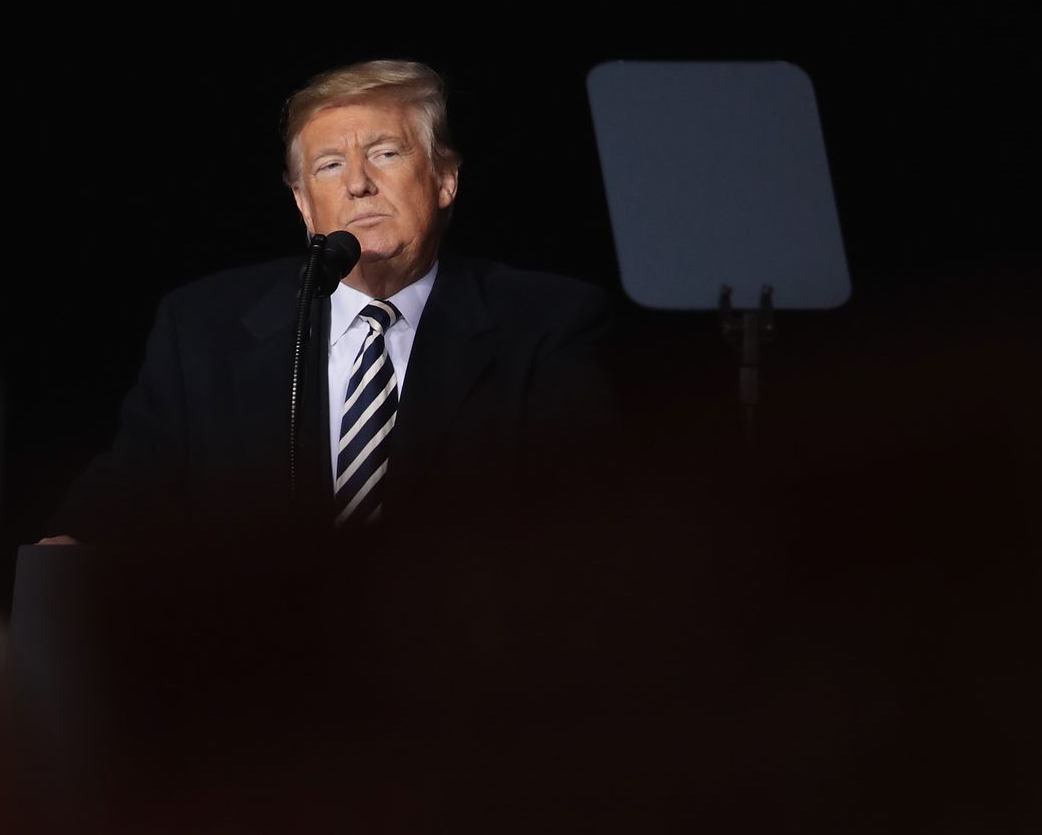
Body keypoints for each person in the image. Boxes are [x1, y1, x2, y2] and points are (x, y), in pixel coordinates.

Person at [41, 60, 613, 547]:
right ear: (304, 206)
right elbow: (127, 491)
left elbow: (586, 513)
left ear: (444, 180)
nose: (358, 184)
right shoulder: (202, 330)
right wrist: (69, 550)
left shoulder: (544, 324)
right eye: (330, 166)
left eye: (386, 153)